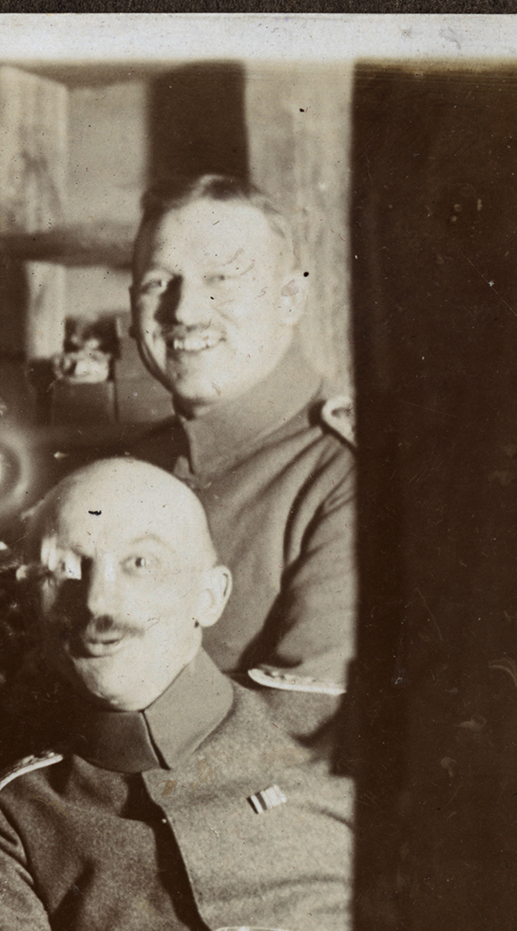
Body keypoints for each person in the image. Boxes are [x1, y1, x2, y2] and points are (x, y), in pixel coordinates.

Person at [0, 458, 353, 931]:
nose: (99, 603)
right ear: (30, 602)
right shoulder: (13, 812)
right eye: (65, 569)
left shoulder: (336, 735)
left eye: (140, 564)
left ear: (210, 596)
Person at [127, 174, 356, 739]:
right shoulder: (132, 470)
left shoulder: (348, 477)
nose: (183, 312)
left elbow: (304, 733)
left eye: (222, 279)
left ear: (290, 299)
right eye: (159, 282)